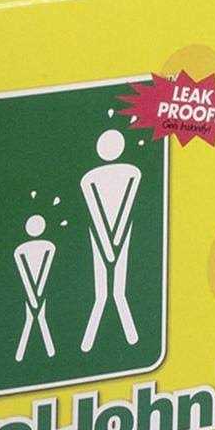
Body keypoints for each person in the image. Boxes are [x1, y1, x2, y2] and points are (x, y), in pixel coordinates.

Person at [80, 128, 140, 351]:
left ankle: (129, 338)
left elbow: (127, 204)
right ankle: (90, 342)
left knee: (118, 291)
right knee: (102, 293)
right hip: (102, 236)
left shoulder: (132, 173)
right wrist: (108, 243)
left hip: (118, 235)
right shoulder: (90, 178)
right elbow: (94, 208)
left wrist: (114, 241)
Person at [13, 214, 56, 360]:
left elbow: (45, 266)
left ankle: (23, 355)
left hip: (37, 289)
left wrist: (34, 295)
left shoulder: (47, 247)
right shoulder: (23, 249)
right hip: (32, 290)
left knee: (37, 317)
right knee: (33, 317)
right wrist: (33, 296)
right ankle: (47, 352)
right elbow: (23, 269)